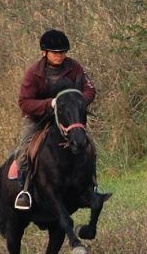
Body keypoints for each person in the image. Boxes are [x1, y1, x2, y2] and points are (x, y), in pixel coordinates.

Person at [13, 29, 96, 209]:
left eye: (63, 52)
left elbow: (89, 89)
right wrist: (51, 104)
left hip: (68, 116)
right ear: (44, 52)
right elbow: (24, 102)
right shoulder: (33, 72)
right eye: (56, 53)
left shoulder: (75, 67)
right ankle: (24, 190)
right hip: (38, 117)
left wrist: (77, 101)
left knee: (88, 144)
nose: (60, 56)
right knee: (24, 149)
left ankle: (92, 185)